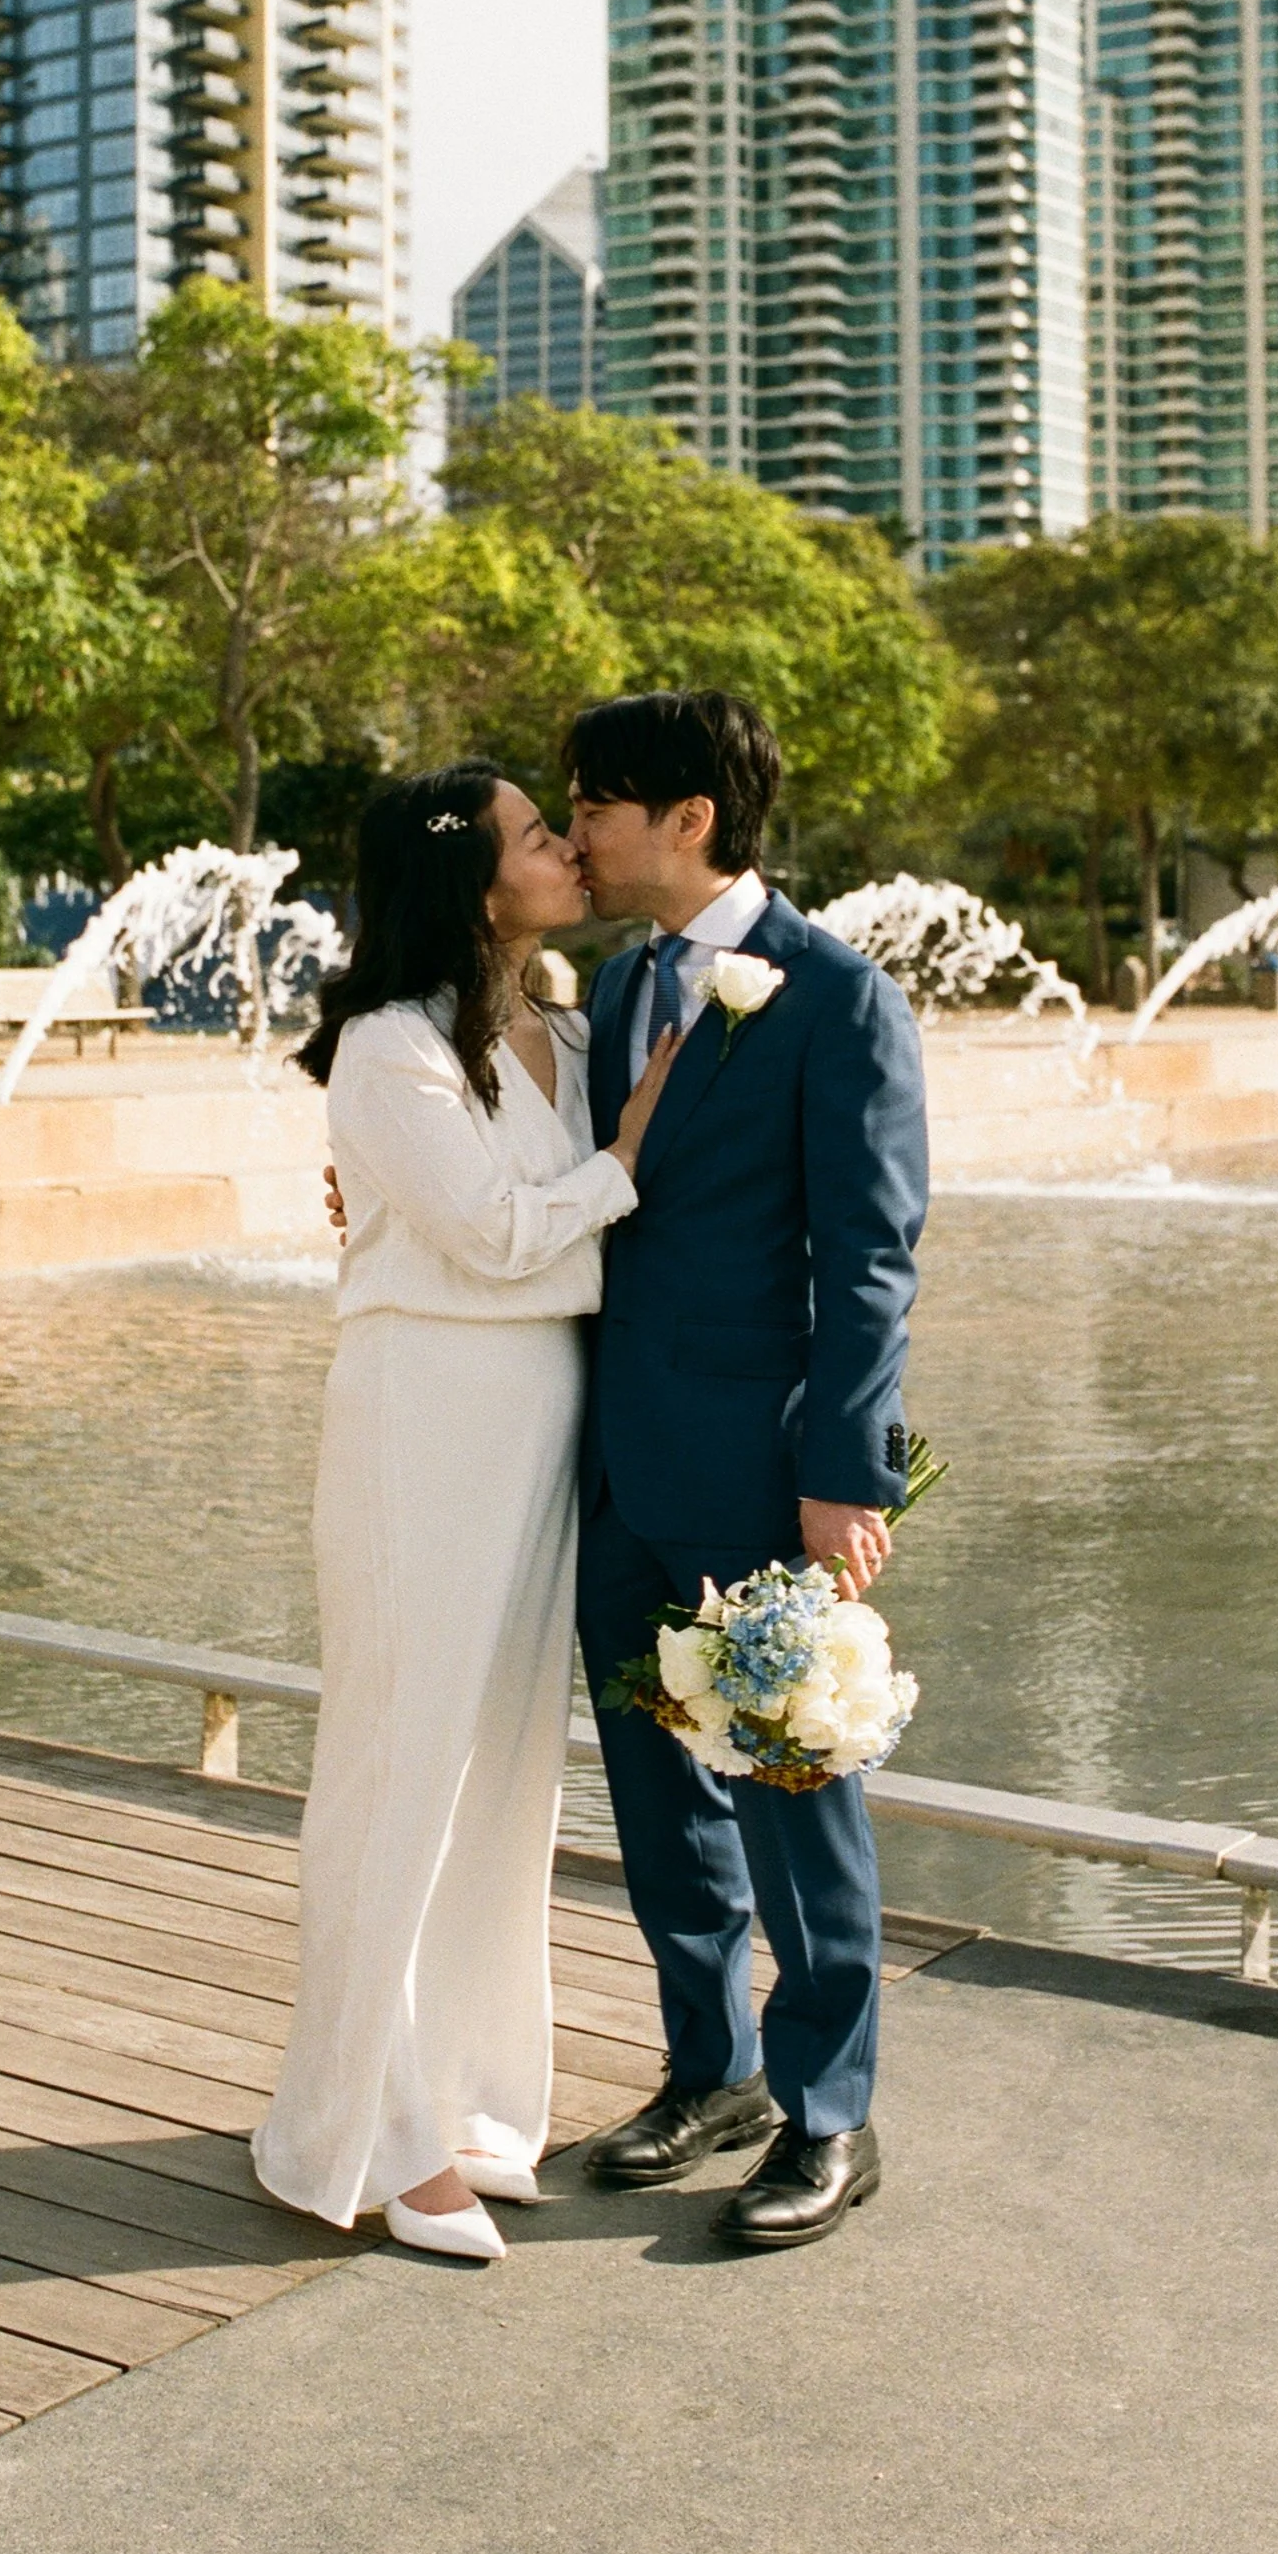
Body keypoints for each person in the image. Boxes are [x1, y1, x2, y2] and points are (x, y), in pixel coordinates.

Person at [251, 762, 680, 2264]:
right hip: (419, 1423)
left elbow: (535, 1236)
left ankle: (473, 2101)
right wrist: (621, 1163)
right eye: (534, 833)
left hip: (537, 1425)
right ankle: (375, 2132)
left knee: (503, 1779)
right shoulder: (386, 1044)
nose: (567, 846)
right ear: (470, 877)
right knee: (403, 1768)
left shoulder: (563, 1022)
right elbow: (494, 1234)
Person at [567, 689, 929, 2251]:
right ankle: (709, 2068)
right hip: (617, 1459)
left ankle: (831, 2108)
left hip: (765, 1469)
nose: (574, 826)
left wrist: (843, 1474)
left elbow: (869, 1254)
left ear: (690, 817)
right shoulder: (616, 982)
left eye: (596, 800)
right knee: (657, 1786)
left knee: (795, 1779)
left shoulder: (841, 999)